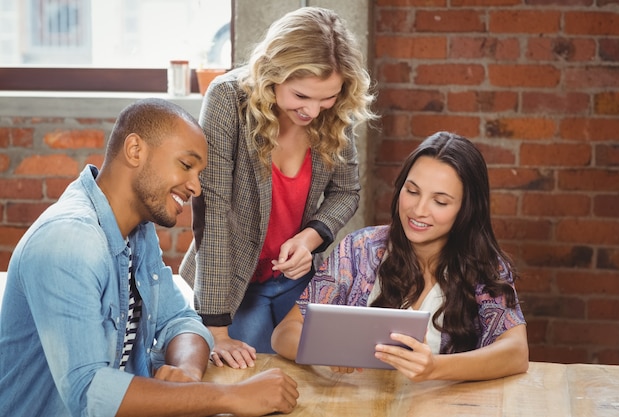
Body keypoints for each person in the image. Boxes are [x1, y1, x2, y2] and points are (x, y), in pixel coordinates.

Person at [0, 98, 298, 417]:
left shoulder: (137, 233)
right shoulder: (71, 241)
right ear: (135, 150)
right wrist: (229, 397)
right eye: (186, 165)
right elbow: (89, 393)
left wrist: (187, 373)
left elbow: (180, 321)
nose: (196, 187)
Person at [180, 6, 377, 366]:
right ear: (272, 75)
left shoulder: (335, 108)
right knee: (251, 382)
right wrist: (217, 328)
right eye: (301, 97)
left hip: (296, 280)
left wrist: (310, 238)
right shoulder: (227, 99)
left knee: (324, 377)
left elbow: (345, 192)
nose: (313, 112)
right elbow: (214, 212)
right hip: (232, 287)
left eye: (326, 98)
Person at [271, 131, 529, 382]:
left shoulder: (485, 264)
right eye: (412, 191)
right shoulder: (359, 249)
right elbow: (284, 333)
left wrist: (435, 368)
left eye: (440, 201)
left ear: (467, 209)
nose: (418, 210)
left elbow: (516, 352)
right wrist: (326, 350)